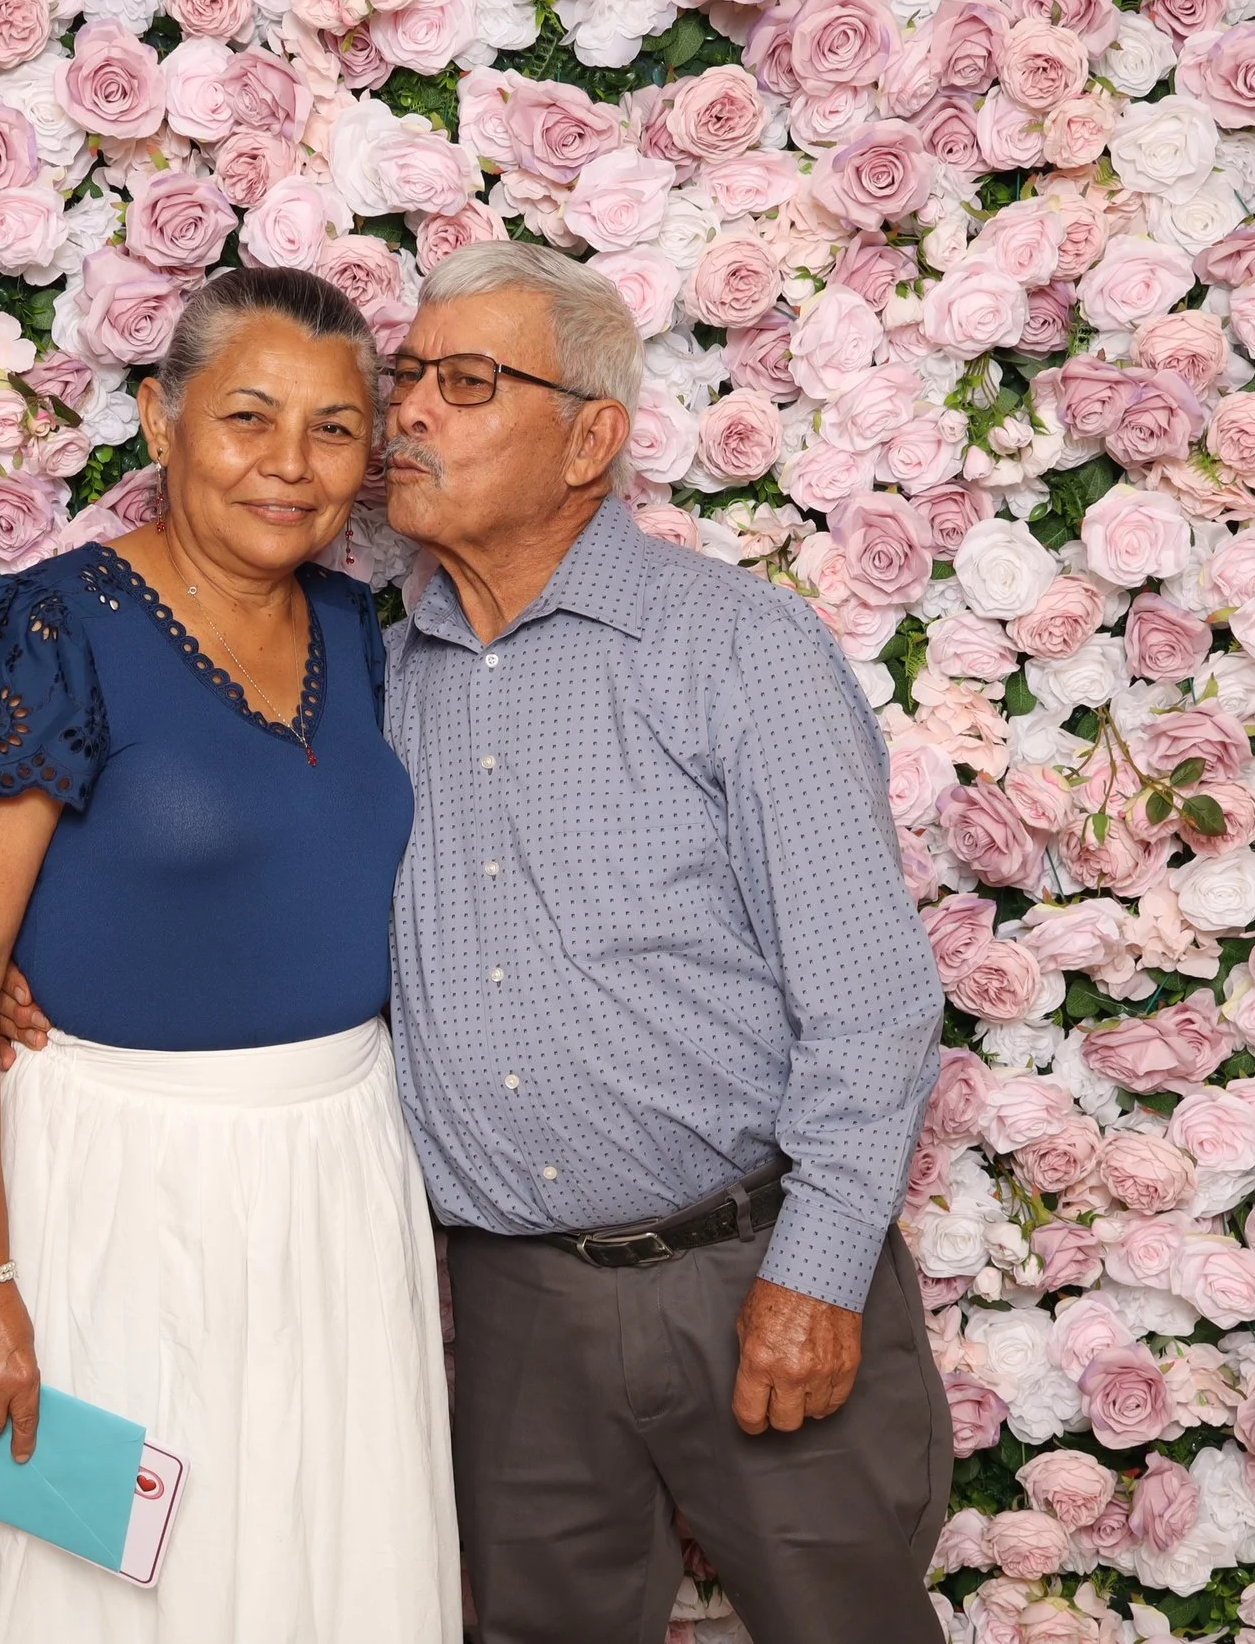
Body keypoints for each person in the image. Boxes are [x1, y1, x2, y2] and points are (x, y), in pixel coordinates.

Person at [0, 266, 458, 1644]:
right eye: (248, 418)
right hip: (117, 1192)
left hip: (342, 1179)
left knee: (333, 1569)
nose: (291, 466)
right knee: (110, 1595)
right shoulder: (43, 631)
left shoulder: (358, 630)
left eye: (333, 429)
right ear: (162, 419)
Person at [381, 241, 952, 1644]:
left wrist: (814, 1276)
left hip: (751, 1268)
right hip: (510, 1304)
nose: (407, 415)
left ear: (591, 439)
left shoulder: (735, 647)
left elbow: (872, 999)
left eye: (464, 383)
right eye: (405, 380)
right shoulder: (374, 673)